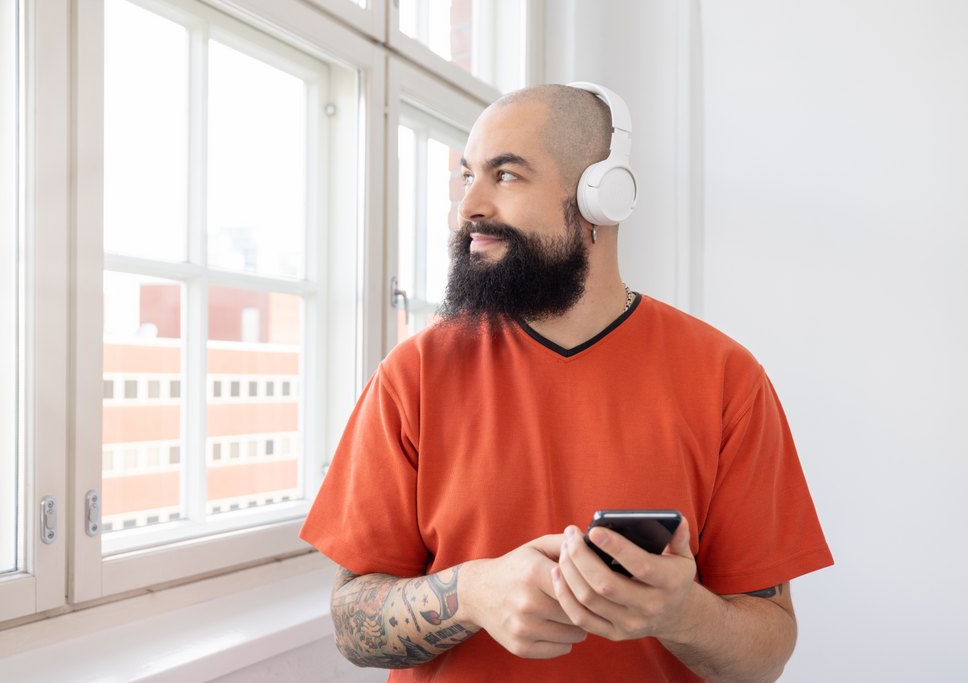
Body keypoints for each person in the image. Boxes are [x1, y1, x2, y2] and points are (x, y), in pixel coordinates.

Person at [299, 82, 833, 682]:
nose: (468, 205)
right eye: (467, 174)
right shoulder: (414, 373)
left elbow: (766, 655)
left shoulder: (727, 379)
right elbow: (351, 626)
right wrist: (472, 593)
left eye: (505, 175)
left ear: (600, 199)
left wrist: (683, 614)